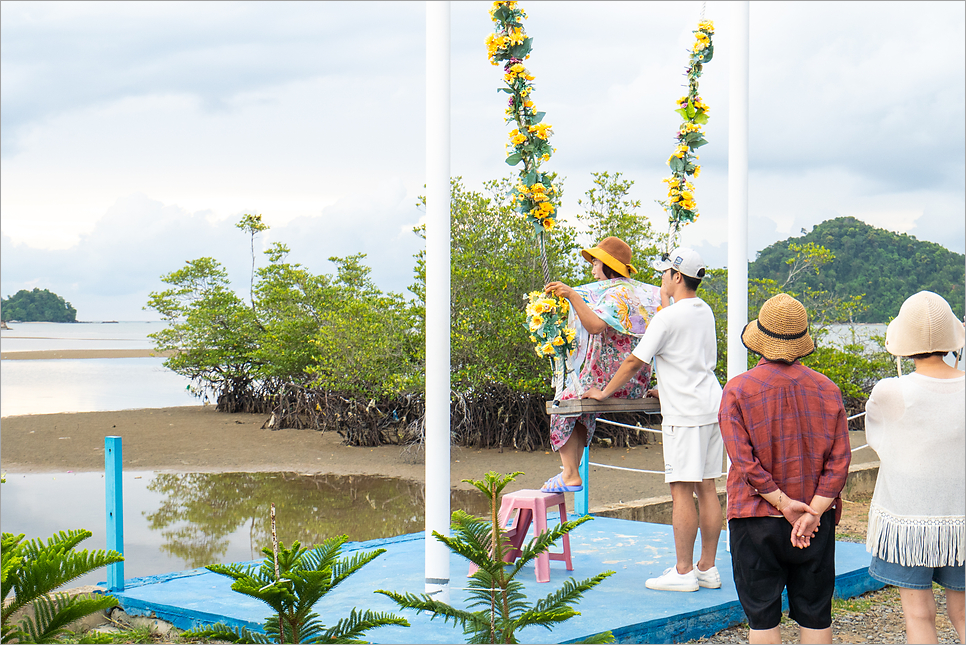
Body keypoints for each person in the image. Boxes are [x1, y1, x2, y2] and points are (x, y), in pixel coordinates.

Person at [584, 246, 723, 592]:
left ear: (677, 276)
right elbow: (694, 359)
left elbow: (635, 362)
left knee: (680, 490)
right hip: (710, 405)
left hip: (686, 414)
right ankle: (707, 567)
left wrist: (603, 392)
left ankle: (683, 570)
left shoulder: (667, 317)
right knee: (707, 487)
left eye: (666, 273)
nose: (662, 277)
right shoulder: (704, 311)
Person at [718, 293, 851, 644]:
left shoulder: (737, 390)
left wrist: (782, 503)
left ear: (759, 340)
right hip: (814, 521)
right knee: (816, 614)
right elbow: (839, 463)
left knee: (762, 619)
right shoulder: (828, 389)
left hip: (755, 518)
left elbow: (743, 462)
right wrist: (813, 512)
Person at [865, 290, 965, 644]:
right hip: (962, 523)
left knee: (919, 615)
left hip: (909, 523)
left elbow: (877, 438)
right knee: (963, 613)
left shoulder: (892, 391)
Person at [539, 236, 660, 494]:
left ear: (607, 265)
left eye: (595, 263)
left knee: (566, 400)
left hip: (611, 379)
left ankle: (570, 473)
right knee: (583, 406)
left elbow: (594, 326)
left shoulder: (617, 293)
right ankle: (570, 471)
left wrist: (571, 294)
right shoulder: (636, 293)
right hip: (635, 381)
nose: (593, 270)